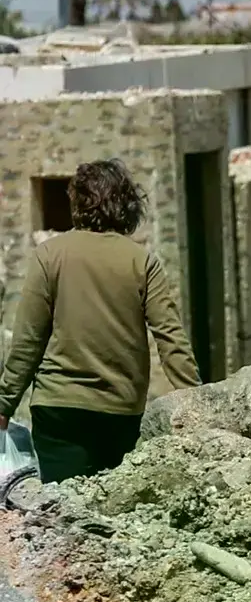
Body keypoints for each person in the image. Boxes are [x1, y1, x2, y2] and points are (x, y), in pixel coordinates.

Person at [0, 161, 200, 482]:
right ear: (126, 204)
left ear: (77, 202)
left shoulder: (49, 255)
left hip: (58, 412)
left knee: (65, 517)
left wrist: (5, 404)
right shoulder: (141, 262)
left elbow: (28, 341)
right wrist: (196, 401)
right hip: (120, 415)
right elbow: (171, 339)